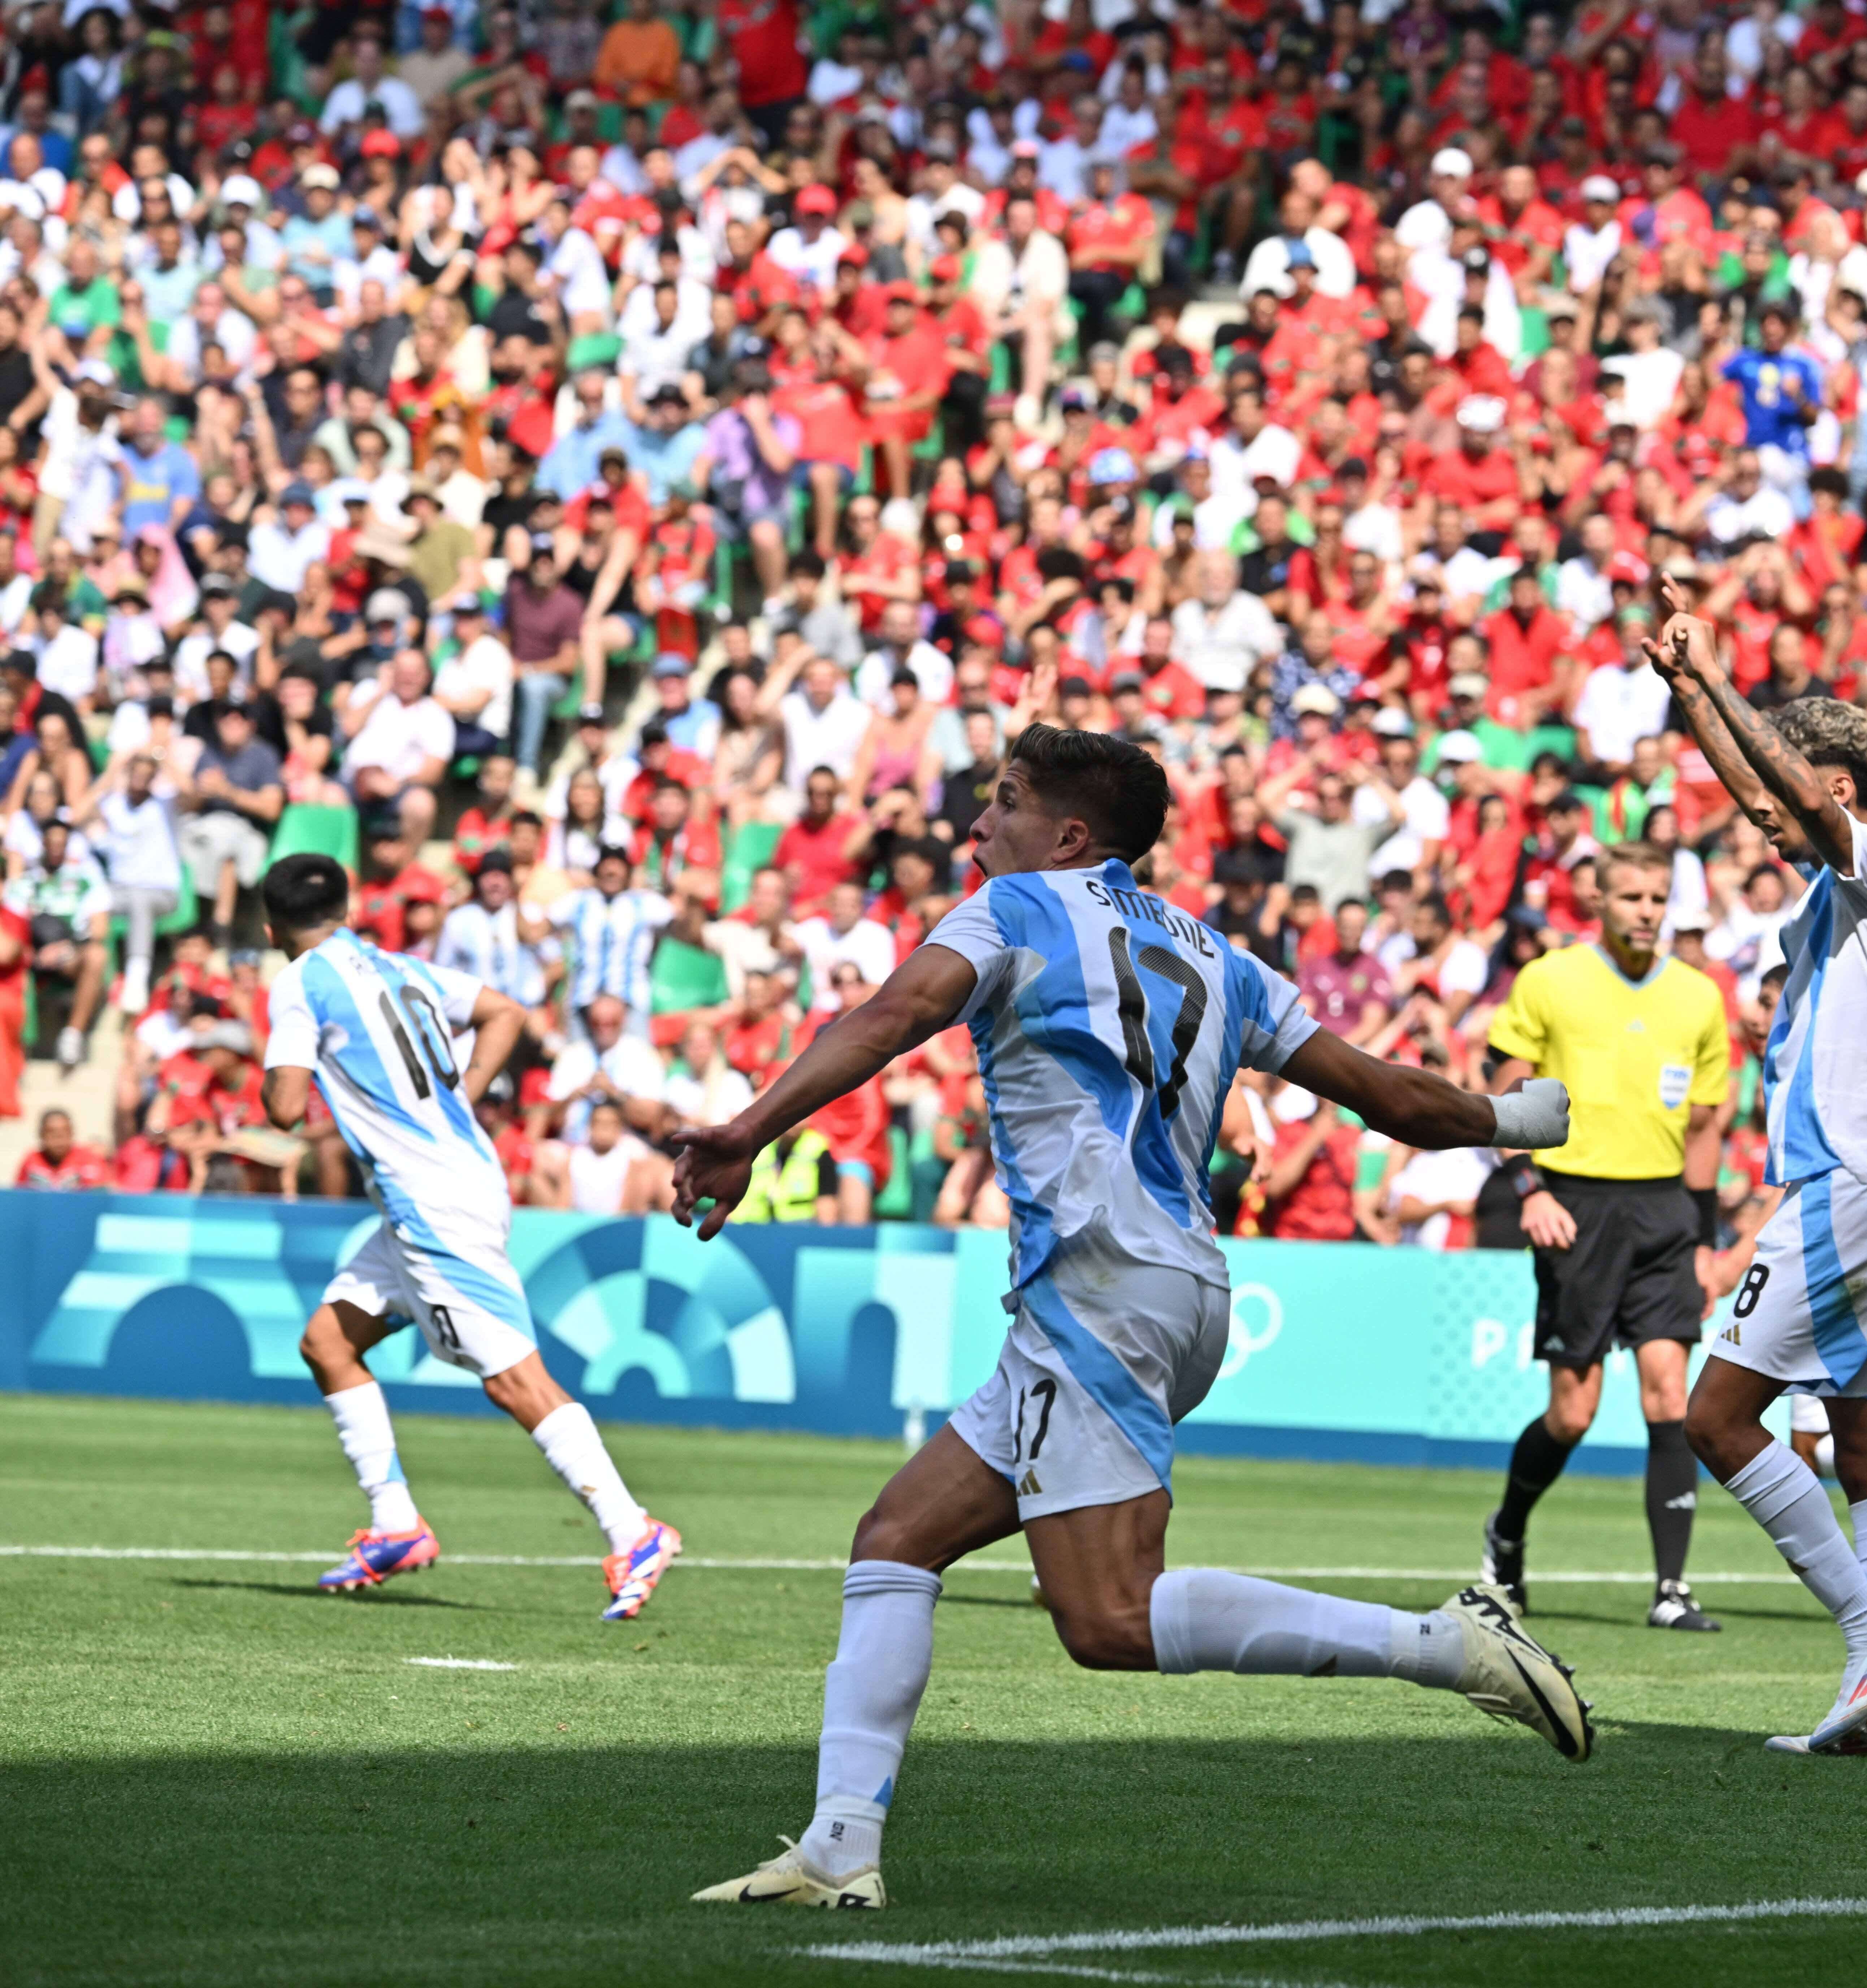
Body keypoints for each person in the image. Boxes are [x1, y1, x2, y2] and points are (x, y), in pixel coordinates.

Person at [675, 726, 1593, 1911]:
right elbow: (1391, 1098)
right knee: (896, 1539)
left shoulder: (1011, 910)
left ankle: (1447, 1644)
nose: (974, 829)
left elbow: (895, 1012)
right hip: (1170, 1285)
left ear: (1065, 836)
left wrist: (748, 1129)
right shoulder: (1220, 958)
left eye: (1000, 805)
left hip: (1099, 1287)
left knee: (1106, 1616)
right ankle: (840, 1847)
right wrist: (1509, 1122)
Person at [1645, 581, 1867, 1760]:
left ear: (1833, 792)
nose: (1752, 813)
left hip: (1850, 1188)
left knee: (1714, 1418)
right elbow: (1758, 782)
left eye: (1777, 792)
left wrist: (1719, 676)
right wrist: (1688, 690)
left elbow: (1798, 804)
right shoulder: (1826, 900)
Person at [254, 853, 681, 1621]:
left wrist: (286, 1060)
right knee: (328, 1342)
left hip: (434, 1204)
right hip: (441, 1186)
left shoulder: (299, 982)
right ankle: (396, 1526)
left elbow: (284, 1107)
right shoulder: (402, 967)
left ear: (270, 926)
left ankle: (634, 1528)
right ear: (347, 909)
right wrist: (456, 1097)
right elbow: (508, 1012)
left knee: (512, 1378)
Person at [1476, 840, 1732, 1634]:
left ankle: (1672, 1588)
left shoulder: (1699, 997)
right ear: (1598, 900)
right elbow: (1505, 1094)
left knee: (1669, 1392)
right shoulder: (1550, 979)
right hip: (1574, 1205)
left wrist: (1704, 1235)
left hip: (1664, 1212)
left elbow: (1706, 1126)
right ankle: (1506, 1534)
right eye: (1632, 897)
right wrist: (1530, 1189)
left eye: (1659, 897)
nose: (1648, 911)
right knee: (1574, 1413)